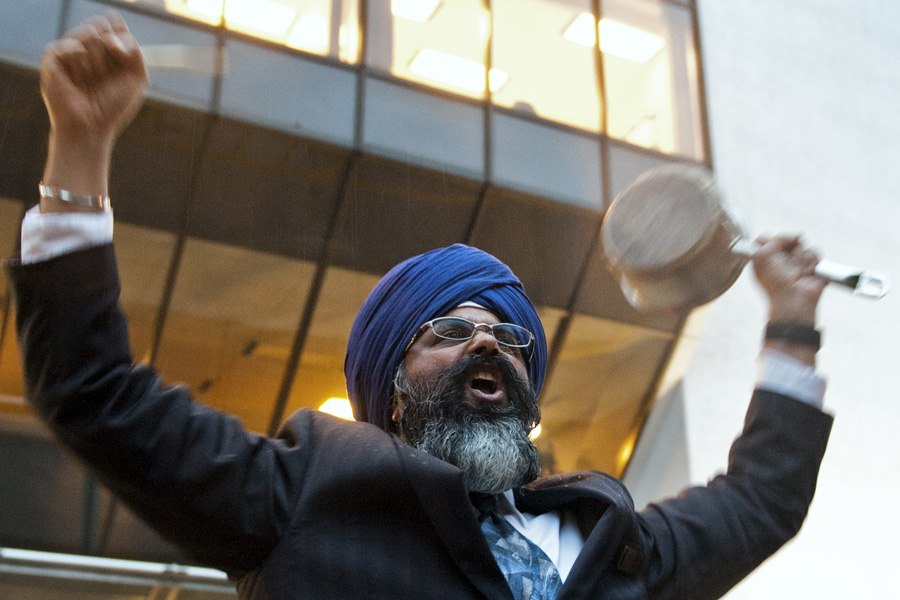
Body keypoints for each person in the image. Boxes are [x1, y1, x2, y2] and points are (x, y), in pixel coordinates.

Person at [6, 14, 833, 600]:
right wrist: (81, 149)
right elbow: (93, 393)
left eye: (509, 336)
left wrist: (792, 320)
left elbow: (763, 499)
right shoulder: (305, 491)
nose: (488, 345)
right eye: (449, 329)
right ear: (391, 383)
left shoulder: (617, 545)